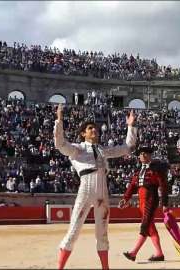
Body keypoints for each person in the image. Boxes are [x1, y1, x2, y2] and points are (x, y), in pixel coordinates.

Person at [53, 104, 137, 269]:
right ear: (83, 133)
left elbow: (127, 148)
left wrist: (130, 126)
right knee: (74, 230)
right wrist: (59, 121)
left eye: (95, 128)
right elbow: (60, 144)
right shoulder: (77, 149)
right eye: (90, 128)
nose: (94, 130)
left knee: (103, 232)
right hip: (86, 187)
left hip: (102, 190)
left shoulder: (103, 149)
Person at [119, 146, 169, 262]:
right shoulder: (138, 171)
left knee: (145, 226)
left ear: (150, 155)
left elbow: (163, 187)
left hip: (151, 199)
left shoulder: (156, 169)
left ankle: (133, 253)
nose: (142, 155)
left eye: (145, 153)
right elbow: (132, 186)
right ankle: (159, 254)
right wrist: (125, 199)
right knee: (150, 227)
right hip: (142, 200)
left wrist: (165, 203)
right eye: (140, 154)